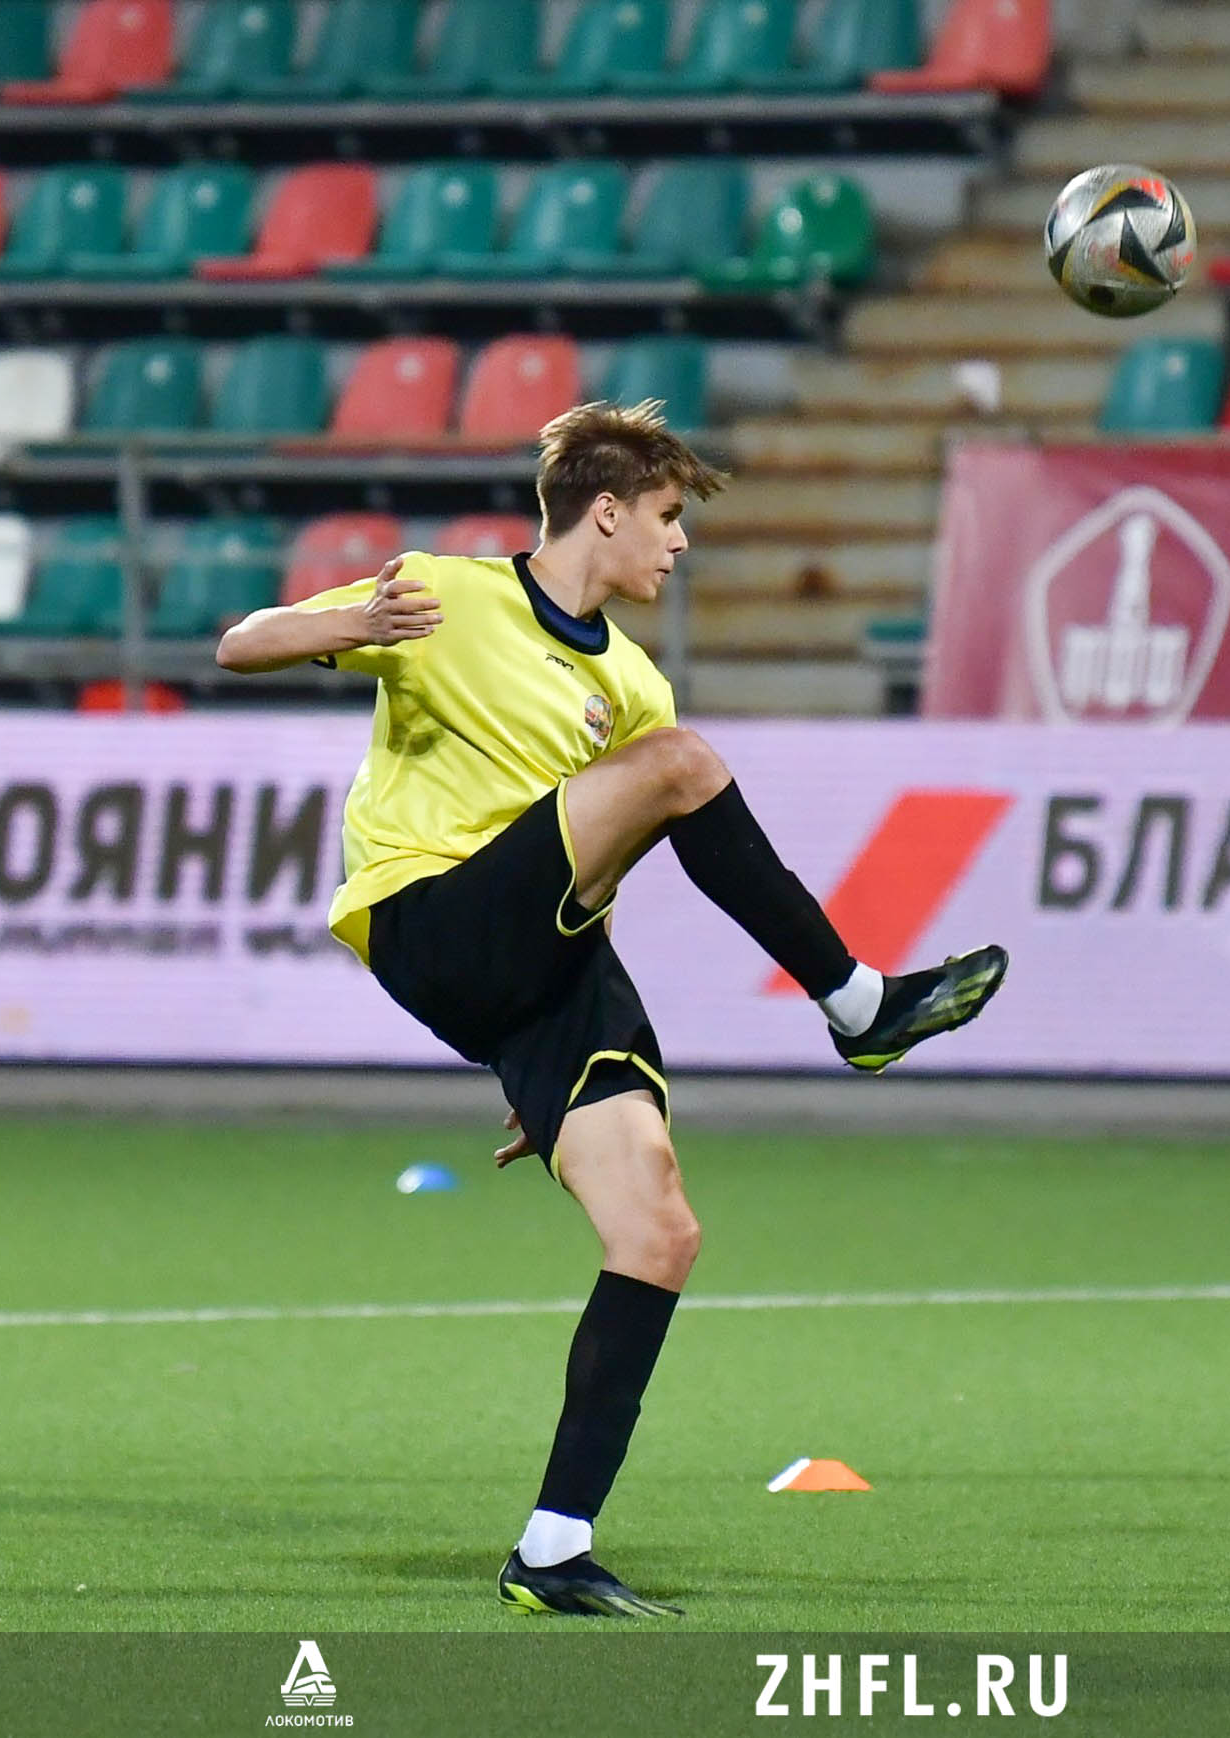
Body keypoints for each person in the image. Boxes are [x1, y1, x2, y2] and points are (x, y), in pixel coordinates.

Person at [215, 399, 1007, 1616]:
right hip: (427, 913)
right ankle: (857, 1004)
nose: (678, 543)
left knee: (657, 1230)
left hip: (541, 963)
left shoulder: (631, 681)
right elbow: (240, 645)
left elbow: (591, 856)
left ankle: (551, 1549)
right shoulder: (446, 592)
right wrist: (354, 620)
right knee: (683, 763)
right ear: (604, 512)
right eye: (668, 516)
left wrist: (534, 1045)